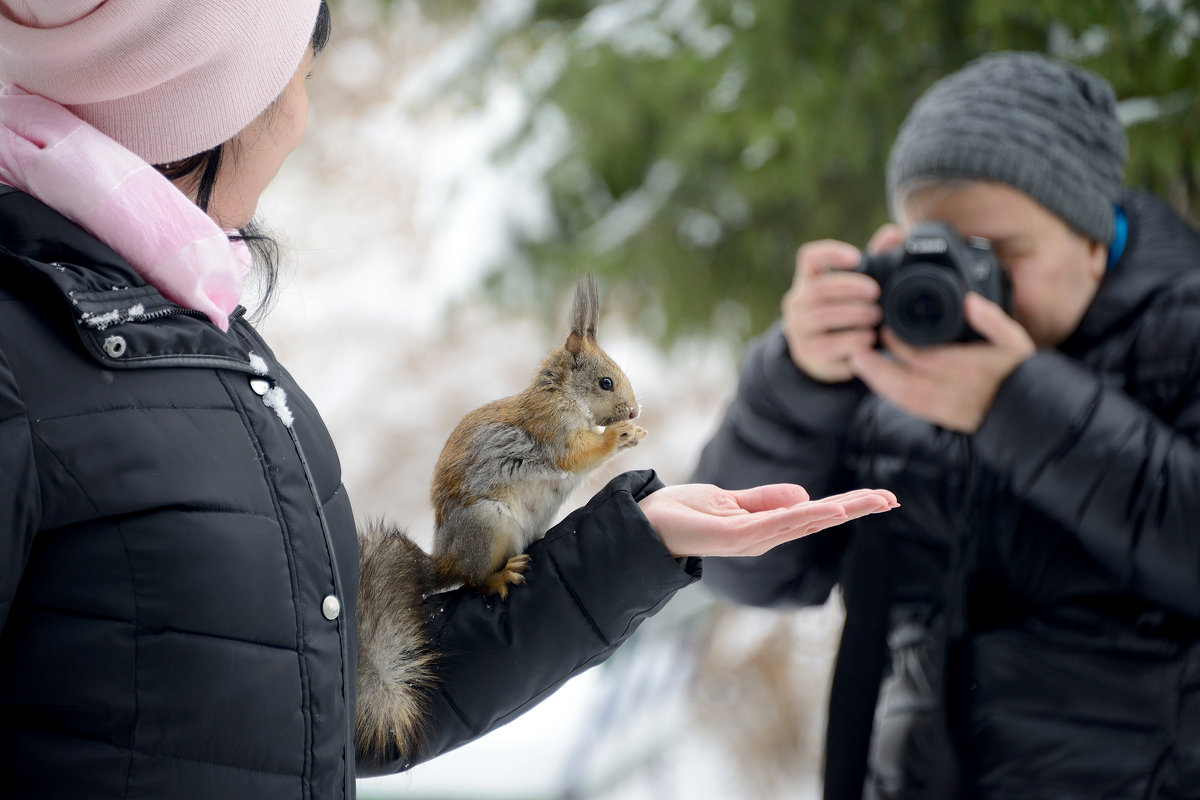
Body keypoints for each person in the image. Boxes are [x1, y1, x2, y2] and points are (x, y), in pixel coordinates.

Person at [0, 2, 897, 798]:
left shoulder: (206, 342)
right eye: (300, 81)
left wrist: (636, 543)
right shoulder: (31, 355)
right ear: (215, 102)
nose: (302, 121)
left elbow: (334, 711)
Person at [693, 51, 1200, 800]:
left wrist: (1018, 407)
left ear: (1093, 236)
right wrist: (796, 382)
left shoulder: (1184, 333)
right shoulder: (895, 368)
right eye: (942, 251)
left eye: (996, 253)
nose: (965, 287)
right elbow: (744, 567)